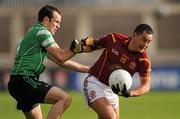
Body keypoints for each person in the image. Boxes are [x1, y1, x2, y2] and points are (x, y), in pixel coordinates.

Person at [8, 5, 87, 119]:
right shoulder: (42, 32)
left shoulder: (36, 33)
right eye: (56, 22)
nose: (58, 26)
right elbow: (61, 56)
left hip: (19, 81)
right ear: (46, 19)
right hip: (24, 80)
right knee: (64, 98)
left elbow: (62, 62)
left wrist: (88, 69)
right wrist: (77, 48)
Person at [80, 24, 154, 119]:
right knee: (111, 117)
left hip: (112, 91)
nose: (145, 45)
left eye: (149, 42)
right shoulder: (114, 39)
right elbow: (94, 44)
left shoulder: (144, 60)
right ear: (134, 35)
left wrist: (130, 93)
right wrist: (84, 44)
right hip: (95, 82)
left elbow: (146, 86)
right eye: (143, 39)